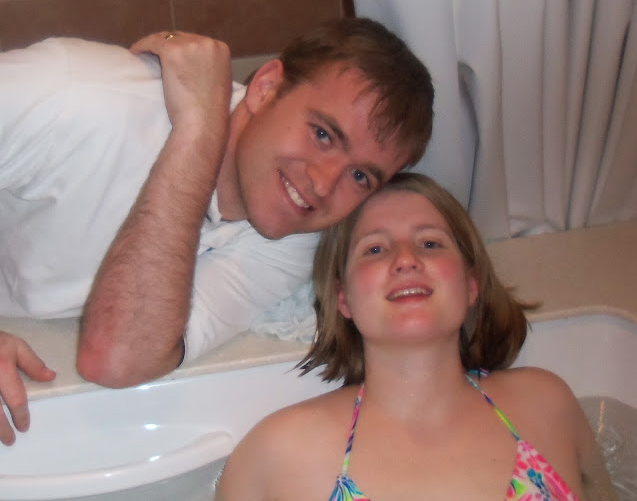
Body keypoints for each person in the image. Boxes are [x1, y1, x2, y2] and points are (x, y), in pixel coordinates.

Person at [0, 18, 435, 446]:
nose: (323, 185)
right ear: (265, 87)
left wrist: (200, 131)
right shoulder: (73, 96)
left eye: (360, 176)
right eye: (322, 134)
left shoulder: (293, 236)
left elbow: (117, 359)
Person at [215, 172, 616, 501]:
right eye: (375, 249)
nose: (406, 259)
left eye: (430, 243)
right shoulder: (277, 453)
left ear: (471, 283)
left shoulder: (547, 404)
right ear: (343, 298)